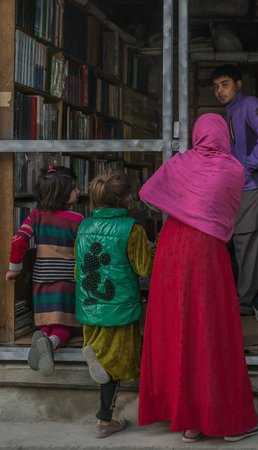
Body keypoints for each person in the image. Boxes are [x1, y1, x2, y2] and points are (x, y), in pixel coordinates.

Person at [137, 114, 258, 443]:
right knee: (209, 329)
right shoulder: (233, 169)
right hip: (206, 252)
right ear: (225, 135)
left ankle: (187, 419)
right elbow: (225, 212)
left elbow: (147, 192)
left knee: (177, 327)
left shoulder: (179, 164)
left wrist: (179, 201)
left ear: (196, 135)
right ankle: (220, 419)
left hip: (171, 247)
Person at [74, 172, 153, 438]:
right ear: (124, 199)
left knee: (105, 353)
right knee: (117, 362)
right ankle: (104, 421)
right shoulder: (132, 229)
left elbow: (78, 270)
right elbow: (144, 267)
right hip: (119, 307)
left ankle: (94, 356)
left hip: (91, 305)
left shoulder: (83, 226)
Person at [211, 64, 258, 315]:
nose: (220, 91)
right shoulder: (231, 112)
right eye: (216, 87)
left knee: (249, 244)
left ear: (238, 84)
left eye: (225, 84)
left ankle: (243, 303)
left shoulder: (250, 105)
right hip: (242, 187)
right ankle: (249, 300)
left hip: (255, 186)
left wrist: (247, 167)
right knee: (245, 244)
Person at [5, 166, 82, 375]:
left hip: (41, 278)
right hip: (67, 280)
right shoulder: (77, 220)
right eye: (75, 189)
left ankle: (42, 340)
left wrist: (15, 269)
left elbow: (19, 240)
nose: (79, 192)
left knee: (47, 321)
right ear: (63, 193)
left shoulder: (35, 216)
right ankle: (51, 344)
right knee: (64, 324)